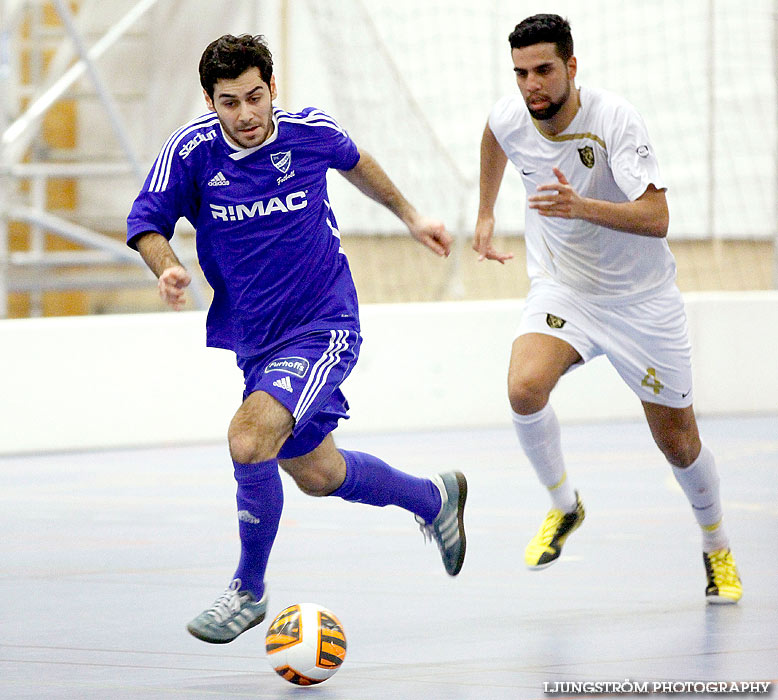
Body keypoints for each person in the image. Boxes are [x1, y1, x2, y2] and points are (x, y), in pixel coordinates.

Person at [126, 34, 467, 644]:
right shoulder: (190, 153)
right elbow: (147, 221)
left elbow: (357, 161)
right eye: (230, 102)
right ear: (210, 102)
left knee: (249, 437)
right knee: (318, 473)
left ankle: (248, 590)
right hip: (256, 341)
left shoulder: (309, 132)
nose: (246, 114)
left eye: (256, 97)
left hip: (323, 325)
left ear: (272, 89)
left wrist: (412, 217)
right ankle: (432, 499)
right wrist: (167, 268)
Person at [473, 14, 741, 603]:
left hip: (642, 304)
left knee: (678, 443)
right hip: (564, 289)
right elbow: (494, 136)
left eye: (544, 70)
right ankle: (564, 506)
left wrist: (580, 208)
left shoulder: (615, 120)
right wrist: (486, 213)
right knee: (524, 388)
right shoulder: (512, 113)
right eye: (520, 73)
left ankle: (716, 544)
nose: (531, 85)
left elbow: (658, 218)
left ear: (571, 66)